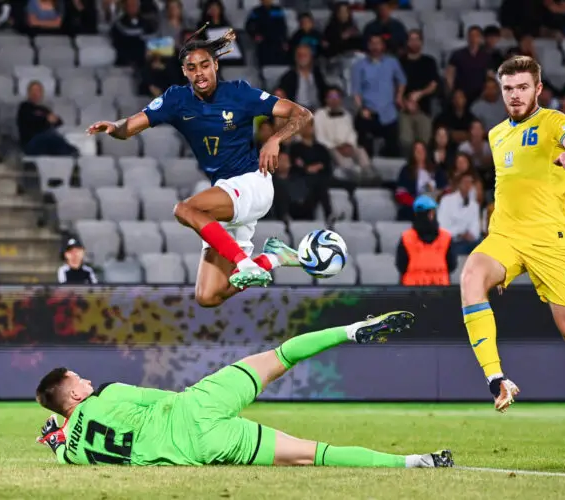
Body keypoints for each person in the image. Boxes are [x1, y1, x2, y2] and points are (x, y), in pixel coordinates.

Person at [34, 311, 455, 468]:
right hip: (196, 404)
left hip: (198, 448)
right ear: (72, 395)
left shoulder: (73, 454)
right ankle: (350, 329)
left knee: (312, 455)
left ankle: (414, 462)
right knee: (280, 356)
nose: (86, 381)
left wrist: (58, 435)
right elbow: (161, 398)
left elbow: (63, 444)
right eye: (78, 381)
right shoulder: (107, 392)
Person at [86, 29, 312, 307]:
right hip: (226, 196)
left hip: (253, 184)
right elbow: (129, 126)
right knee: (207, 297)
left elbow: (302, 113)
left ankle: (244, 263)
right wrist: (113, 127)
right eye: (192, 68)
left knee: (184, 209)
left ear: (216, 65)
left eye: (205, 65)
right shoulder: (176, 100)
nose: (200, 73)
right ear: (184, 71)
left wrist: (275, 140)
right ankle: (273, 258)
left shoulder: (239, 93)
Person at [460, 56, 565, 411]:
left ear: (537, 88)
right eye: (508, 88)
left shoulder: (555, 120)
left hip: (548, 240)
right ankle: (496, 380)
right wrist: (501, 262)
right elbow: (505, 188)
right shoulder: (496, 135)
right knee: (472, 274)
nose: (515, 95)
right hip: (505, 237)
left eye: (523, 87)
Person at [351, 34, 406, 157]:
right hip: (368, 111)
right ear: (368, 45)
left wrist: (399, 97)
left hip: (389, 112)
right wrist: (361, 109)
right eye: (373, 43)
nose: (375, 46)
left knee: (393, 147)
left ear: (383, 46)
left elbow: (402, 81)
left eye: (378, 43)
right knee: (363, 140)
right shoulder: (359, 65)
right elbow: (356, 92)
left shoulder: (392, 62)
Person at [313, 86, 372, 180]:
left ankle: (368, 177)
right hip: (331, 148)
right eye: (331, 97)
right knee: (344, 160)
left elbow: (352, 134)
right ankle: (352, 178)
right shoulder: (319, 115)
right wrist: (337, 147)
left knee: (361, 151)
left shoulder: (347, 115)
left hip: (347, 146)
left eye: (336, 97)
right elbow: (320, 137)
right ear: (326, 99)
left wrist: (350, 145)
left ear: (340, 99)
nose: (334, 100)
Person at [396, 195, 456, 286]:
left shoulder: (406, 237)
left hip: (412, 293)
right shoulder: (446, 237)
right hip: (441, 292)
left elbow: (401, 266)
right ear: (432, 214)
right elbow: (452, 265)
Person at [398, 29, 439, 154]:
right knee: (405, 142)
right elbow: (395, 85)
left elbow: (433, 84)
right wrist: (406, 103)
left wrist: (419, 94)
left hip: (424, 110)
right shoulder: (400, 62)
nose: (414, 43)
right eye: (411, 39)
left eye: (417, 39)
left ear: (421, 42)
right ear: (407, 42)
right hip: (404, 110)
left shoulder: (429, 61)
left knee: (425, 142)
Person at [17, 81, 78, 157]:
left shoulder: (44, 109)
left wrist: (54, 120)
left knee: (55, 137)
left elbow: (59, 122)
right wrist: (46, 120)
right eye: (33, 91)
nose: (35, 93)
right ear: (28, 93)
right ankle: (70, 153)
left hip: (47, 142)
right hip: (31, 142)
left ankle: (71, 155)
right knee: (50, 136)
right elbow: (32, 121)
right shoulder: (24, 107)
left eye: (38, 91)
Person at [394, 141, 447, 221]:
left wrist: (437, 198)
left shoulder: (436, 170)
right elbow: (400, 194)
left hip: (435, 205)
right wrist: (418, 203)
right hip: (414, 207)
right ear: (412, 153)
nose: (420, 152)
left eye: (422, 150)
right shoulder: (406, 170)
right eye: (417, 150)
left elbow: (445, 190)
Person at [437, 171, 482, 256]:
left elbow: (475, 228)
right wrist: (460, 233)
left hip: (469, 243)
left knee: (481, 245)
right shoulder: (446, 200)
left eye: (470, 182)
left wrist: (470, 235)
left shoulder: (474, 205)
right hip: (451, 242)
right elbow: (442, 228)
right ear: (459, 184)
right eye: (465, 182)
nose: (468, 185)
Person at [445, 26, 490, 105]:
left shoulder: (486, 56)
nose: (473, 38)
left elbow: (489, 75)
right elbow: (450, 74)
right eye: (471, 35)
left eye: (476, 36)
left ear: (480, 38)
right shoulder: (457, 54)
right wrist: (452, 91)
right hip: (461, 92)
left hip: (479, 93)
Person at [275, 44, 328, 112]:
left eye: (305, 55)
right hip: (297, 112)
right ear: (295, 58)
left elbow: (325, 93)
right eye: (299, 55)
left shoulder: (317, 74)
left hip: (318, 111)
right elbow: (280, 93)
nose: (302, 58)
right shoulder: (289, 76)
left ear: (311, 57)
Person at [245, 0, 289, 66]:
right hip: (263, 43)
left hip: (277, 42)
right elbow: (248, 26)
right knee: (264, 64)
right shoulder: (256, 11)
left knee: (278, 63)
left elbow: (283, 27)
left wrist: (285, 41)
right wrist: (254, 36)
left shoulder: (277, 10)